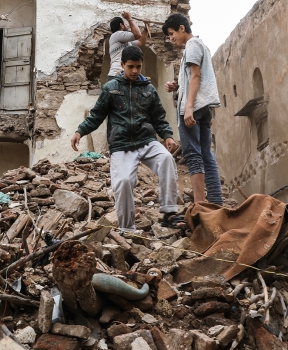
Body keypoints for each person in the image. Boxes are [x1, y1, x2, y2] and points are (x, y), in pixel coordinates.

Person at [71, 45, 185, 231]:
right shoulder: (111, 89)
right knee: (123, 182)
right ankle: (127, 229)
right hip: (122, 144)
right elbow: (96, 115)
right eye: (130, 66)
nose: (134, 71)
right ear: (122, 65)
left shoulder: (149, 89)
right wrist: (80, 131)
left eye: (138, 67)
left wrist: (167, 136)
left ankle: (169, 213)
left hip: (146, 141)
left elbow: (158, 117)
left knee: (165, 159)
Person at [162, 13, 223, 205]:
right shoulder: (200, 46)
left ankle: (200, 204)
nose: (171, 38)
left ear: (182, 28)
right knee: (206, 154)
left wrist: (188, 108)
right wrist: (177, 85)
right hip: (204, 107)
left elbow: (196, 76)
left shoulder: (192, 45)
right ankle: (215, 202)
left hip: (194, 108)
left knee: (192, 154)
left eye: (172, 33)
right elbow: (193, 78)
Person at [107, 12, 149, 82]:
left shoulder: (125, 41)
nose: (127, 26)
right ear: (121, 25)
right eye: (125, 24)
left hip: (122, 75)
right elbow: (137, 35)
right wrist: (129, 18)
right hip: (117, 75)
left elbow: (141, 42)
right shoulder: (117, 35)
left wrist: (146, 27)